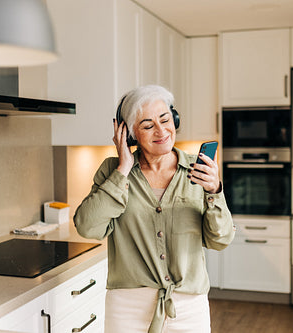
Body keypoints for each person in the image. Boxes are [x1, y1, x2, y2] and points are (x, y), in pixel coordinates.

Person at [74, 85, 235, 333]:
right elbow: (87, 227)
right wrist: (122, 170)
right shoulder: (112, 171)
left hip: (188, 306)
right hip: (126, 307)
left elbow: (220, 240)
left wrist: (215, 192)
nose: (161, 131)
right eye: (148, 125)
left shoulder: (199, 168)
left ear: (175, 119)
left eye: (165, 119)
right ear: (129, 134)